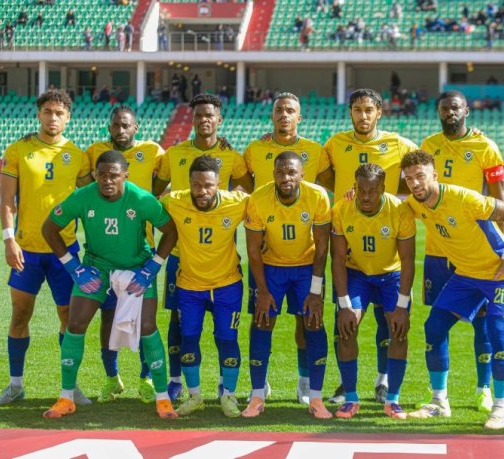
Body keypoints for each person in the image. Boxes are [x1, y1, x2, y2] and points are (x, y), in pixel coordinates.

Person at [41, 150, 178, 420]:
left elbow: (171, 231)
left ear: (125, 175)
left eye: (113, 175)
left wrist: (152, 267)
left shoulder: (141, 199)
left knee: (147, 327)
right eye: (101, 175)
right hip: (96, 268)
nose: (107, 180)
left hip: (137, 269)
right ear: (95, 175)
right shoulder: (83, 196)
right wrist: (73, 267)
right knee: (75, 324)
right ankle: (66, 397)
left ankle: (163, 399)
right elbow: (49, 228)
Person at [402, 150, 504, 430]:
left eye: (420, 176)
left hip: (499, 273)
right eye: (409, 179)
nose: (415, 183)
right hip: (466, 275)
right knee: (434, 326)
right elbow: (389, 207)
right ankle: (438, 402)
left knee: (497, 330)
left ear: (434, 175)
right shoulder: (414, 204)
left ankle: (500, 409)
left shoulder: (464, 198)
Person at [0, 89, 92, 407]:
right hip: (26, 250)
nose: (53, 117)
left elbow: (91, 202)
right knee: (20, 314)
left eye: (59, 113)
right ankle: (15, 385)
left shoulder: (77, 155)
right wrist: (9, 239)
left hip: (65, 251)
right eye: (48, 111)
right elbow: (6, 200)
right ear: (38, 114)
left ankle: (70, 387)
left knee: (69, 317)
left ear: (68, 118)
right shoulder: (19, 150)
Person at [323, 88, 418, 404]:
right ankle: (345, 386)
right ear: (350, 112)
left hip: (386, 247)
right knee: (346, 323)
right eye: (357, 110)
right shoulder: (335, 144)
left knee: (388, 325)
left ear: (379, 112)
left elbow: (425, 165)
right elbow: (316, 171)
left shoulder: (399, 144)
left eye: (368, 110)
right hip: (351, 247)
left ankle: (383, 381)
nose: (363, 116)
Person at [157, 94, 252, 402]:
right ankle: (176, 381)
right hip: (181, 256)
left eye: (209, 115)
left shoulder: (231, 155)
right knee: (179, 323)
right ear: (193, 119)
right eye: (198, 115)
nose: (204, 120)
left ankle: (226, 387)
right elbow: (154, 194)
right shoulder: (174, 154)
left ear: (218, 119)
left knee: (225, 333)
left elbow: (251, 191)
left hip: (221, 258)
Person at [418, 90, 504, 413]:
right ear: (439, 112)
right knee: (437, 323)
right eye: (444, 108)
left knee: (483, 322)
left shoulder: (485, 147)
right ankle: (439, 396)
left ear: (466, 110)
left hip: (474, 248)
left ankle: (483, 389)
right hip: (438, 248)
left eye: (455, 108)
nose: (450, 113)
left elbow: (500, 199)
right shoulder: (428, 145)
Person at [243, 92, 332, 404]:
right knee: (262, 318)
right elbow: (241, 178)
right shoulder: (255, 151)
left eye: (290, 110)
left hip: (304, 264)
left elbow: (323, 244)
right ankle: (259, 385)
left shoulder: (315, 154)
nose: (284, 114)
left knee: (308, 321)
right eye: (279, 110)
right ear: (271, 116)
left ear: (299, 116)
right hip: (268, 261)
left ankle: (306, 383)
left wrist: (317, 289)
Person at [85, 105, 167, 403]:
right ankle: (112, 378)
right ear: (109, 127)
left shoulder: (154, 152)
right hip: (104, 251)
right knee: (107, 317)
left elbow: (160, 186)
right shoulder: (94, 152)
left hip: (141, 252)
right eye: (116, 125)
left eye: (126, 125)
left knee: (145, 322)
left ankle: (146, 378)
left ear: (136, 127)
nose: (120, 130)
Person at [331, 163, 415, 419]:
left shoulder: (400, 211)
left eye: (372, 191)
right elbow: (337, 260)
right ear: (354, 187)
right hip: (357, 274)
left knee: (398, 331)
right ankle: (351, 398)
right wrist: (344, 305)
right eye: (361, 190)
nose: (366, 196)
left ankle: (393, 400)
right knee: (346, 328)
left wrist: (402, 306)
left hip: (392, 277)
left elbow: (408, 261)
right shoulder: (342, 209)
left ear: (383, 188)